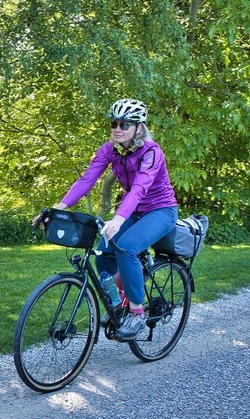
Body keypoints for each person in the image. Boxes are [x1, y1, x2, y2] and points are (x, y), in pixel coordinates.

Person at [33, 99, 179, 340]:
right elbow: (86, 179)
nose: (118, 128)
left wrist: (119, 218)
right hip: (132, 210)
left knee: (128, 247)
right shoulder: (109, 149)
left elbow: (140, 189)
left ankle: (136, 313)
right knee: (103, 253)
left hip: (160, 211)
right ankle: (119, 302)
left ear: (139, 127)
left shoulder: (152, 152)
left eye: (125, 124)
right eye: (114, 123)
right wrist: (58, 208)